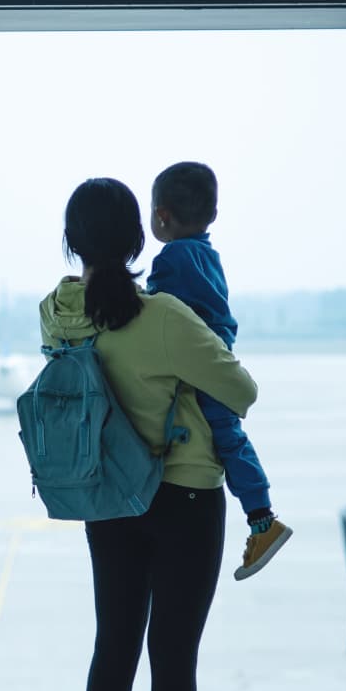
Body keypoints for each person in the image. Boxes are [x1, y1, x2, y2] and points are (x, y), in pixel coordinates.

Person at [40, 177, 258, 691]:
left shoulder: (54, 311)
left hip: (107, 496)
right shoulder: (164, 317)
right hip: (184, 495)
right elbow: (241, 391)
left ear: (73, 242)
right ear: (140, 239)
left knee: (115, 646)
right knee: (173, 654)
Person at [148, 161, 293, 580]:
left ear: (162, 216)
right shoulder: (207, 253)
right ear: (212, 215)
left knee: (227, 438)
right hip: (215, 350)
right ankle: (261, 516)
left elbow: (161, 307)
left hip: (204, 360)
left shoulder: (173, 256)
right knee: (230, 436)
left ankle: (262, 520)